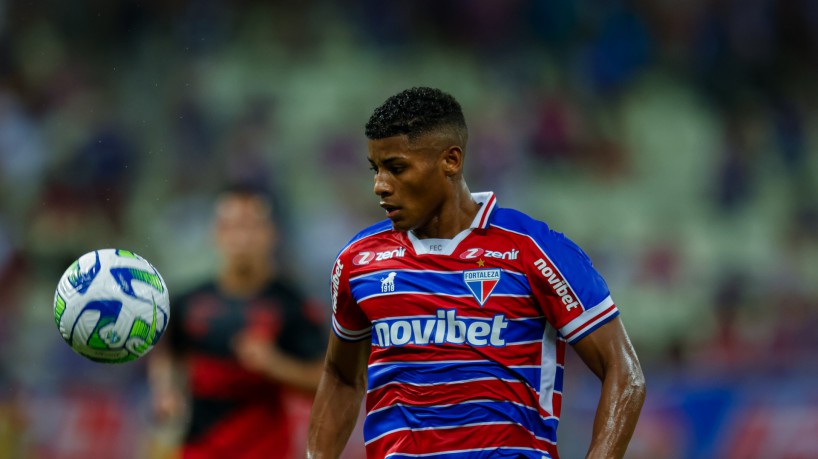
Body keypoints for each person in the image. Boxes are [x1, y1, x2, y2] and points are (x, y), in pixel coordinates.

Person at [306, 87, 646, 459]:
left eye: (396, 168)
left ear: (451, 160)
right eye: (376, 169)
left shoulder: (534, 250)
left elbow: (623, 370)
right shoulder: (358, 261)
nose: (380, 185)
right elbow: (340, 376)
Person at [149, 184, 327, 459]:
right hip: (198, 449)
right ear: (216, 233)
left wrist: (274, 364)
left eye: (250, 226)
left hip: (263, 451)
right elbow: (169, 356)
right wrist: (167, 391)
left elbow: (324, 385)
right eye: (230, 226)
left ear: (271, 233)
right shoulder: (188, 301)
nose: (241, 237)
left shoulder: (293, 305)